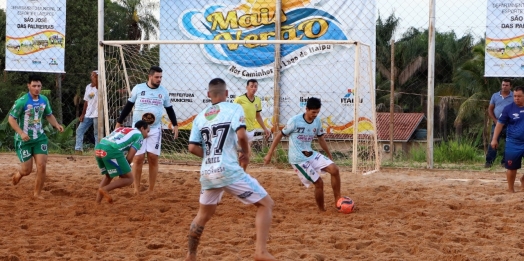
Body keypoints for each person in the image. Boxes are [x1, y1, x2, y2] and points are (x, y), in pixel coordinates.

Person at [184, 78, 275, 261]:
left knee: (203, 215)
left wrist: (211, 157)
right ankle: (260, 251)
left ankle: (190, 255)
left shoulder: (200, 116)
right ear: (226, 94)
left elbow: (192, 148)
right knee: (266, 204)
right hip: (228, 170)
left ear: (208, 95)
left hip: (208, 172)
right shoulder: (234, 108)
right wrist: (246, 153)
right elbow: (241, 135)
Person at [264, 97, 342, 212]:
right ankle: (322, 210)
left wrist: (329, 154)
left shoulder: (317, 121)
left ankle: (338, 201)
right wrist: (269, 154)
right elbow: (280, 135)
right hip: (298, 158)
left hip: (310, 154)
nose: (315, 114)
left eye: (318, 112)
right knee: (319, 183)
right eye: (313, 112)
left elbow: (321, 139)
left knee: (334, 169)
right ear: (306, 109)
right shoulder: (294, 121)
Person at [115, 66, 179, 194]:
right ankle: (136, 189)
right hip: (138, 130)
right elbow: (128, 106)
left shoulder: (163, 92)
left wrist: (175, 125)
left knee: (153, 157)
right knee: (138, 158)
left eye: (161, 77)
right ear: (150, 76)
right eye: (156, 77)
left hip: (154, 129)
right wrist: (119, 122)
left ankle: (151, 190)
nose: (159, 79)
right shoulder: (138, 88)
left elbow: (169, 109)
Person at [9, 74, 64, 198]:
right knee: (26, 171)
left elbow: (48, 114)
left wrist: (56, 124)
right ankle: (19, 174)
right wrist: (21, 133)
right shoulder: (21, 102)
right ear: (28, 86)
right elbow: (11, 119)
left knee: (41, 165)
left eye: (39, 86)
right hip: (24, 140)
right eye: (34, 86)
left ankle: (37, 194)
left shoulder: (44, 99)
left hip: (40, 138)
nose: (37, 88)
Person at [95, 120, 150, 203]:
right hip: (112, 150)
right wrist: (124, 171)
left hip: (99, 148)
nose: (148, 134)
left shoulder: (121, 128)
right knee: (130, 179)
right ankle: (105, 189)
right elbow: (129, 157)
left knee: (108, 176)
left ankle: (97, 202)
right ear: (142, 128)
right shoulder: (139, 136)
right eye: (147, 131)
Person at [491, 86, 524, 193]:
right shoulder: (508, 108)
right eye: (514, 96)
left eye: (519, 96)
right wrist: (494, 139)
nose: (516, 98)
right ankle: (510, 189)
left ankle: (523, 179)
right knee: (511, 167)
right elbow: (500, 124)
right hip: (513, 143)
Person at [233, 79, 271, 170]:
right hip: (241, 129)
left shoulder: (257, 100)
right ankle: (241, 173)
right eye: (251, 86)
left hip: (251, 130)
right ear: (247, 87)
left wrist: (265, 128)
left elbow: (258, 116)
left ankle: (240, 173)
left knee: (243, 155)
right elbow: (232, 112)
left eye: (255, 86)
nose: (254, 88)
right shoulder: (239, 99)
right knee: (246, 153)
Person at [485, 78, 513, 168]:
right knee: (494, 141)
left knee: (509, 143)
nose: (504, 87)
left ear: (510, 86)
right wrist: (495, 120)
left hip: (509, 123)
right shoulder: (495, 96)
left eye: (506, 85)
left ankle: (504, 162)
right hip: (497, 123)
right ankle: (489, 162)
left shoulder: (514, 96)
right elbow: (490, 109)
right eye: (503, 85)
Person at [75, 70, 99, 155]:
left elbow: (97, 86)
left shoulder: (100, 86)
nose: (93, 77)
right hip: (88, 113)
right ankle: (78, 149)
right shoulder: (88, 87)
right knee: (79, 130)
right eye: (92, 75)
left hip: (97, 114)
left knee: (97, 133)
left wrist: (97, 79)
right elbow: (86, 101)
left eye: (95, 76)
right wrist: (82, 114)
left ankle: (97, 151)